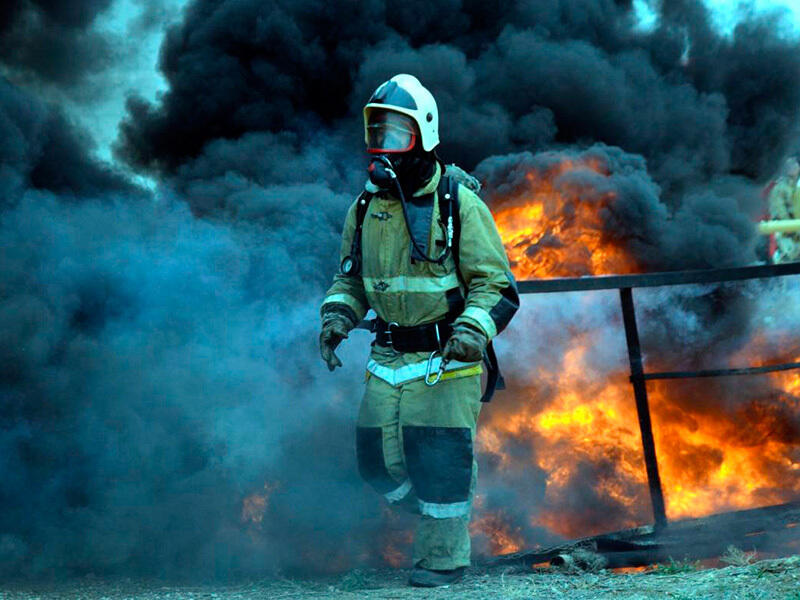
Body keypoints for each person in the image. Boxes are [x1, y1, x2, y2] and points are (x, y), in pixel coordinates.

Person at [318, 74, 519, 587]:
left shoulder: (459, 202)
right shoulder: (366, 206)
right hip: (386, 358)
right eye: (377, 132)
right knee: (374, 463)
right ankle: (436, 519)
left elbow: (497, 285)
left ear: (423, 133)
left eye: (395, 134)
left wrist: (472, 333)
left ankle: (444, 562)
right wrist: (337, 318)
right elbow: (350, 277)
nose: (383, 145)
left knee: (442, 464)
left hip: (445, 361)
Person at [768, 156, 800, 263]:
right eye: (788, 165)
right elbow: (780, 212)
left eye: (794, 164)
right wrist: (791, 229)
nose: (792, 167)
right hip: (787, 235)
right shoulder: (779, 188)